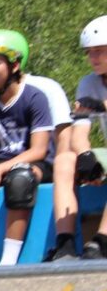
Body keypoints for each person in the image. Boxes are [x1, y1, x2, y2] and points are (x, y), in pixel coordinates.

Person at [0, 29, 58, 266]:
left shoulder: (34, 97)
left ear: (15, 65)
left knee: (19, 178)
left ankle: (8, 261)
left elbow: (39, 150)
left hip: (34, 163)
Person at [49, 15, 107, 259]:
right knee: (64, 160)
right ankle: (65, 243)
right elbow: (79, 131)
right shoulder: (88, 83)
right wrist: (86, 157)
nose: (92, 58)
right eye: (89, 52)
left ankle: (102, 241)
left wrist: (102, 105)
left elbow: (97, 107)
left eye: (99, 51)